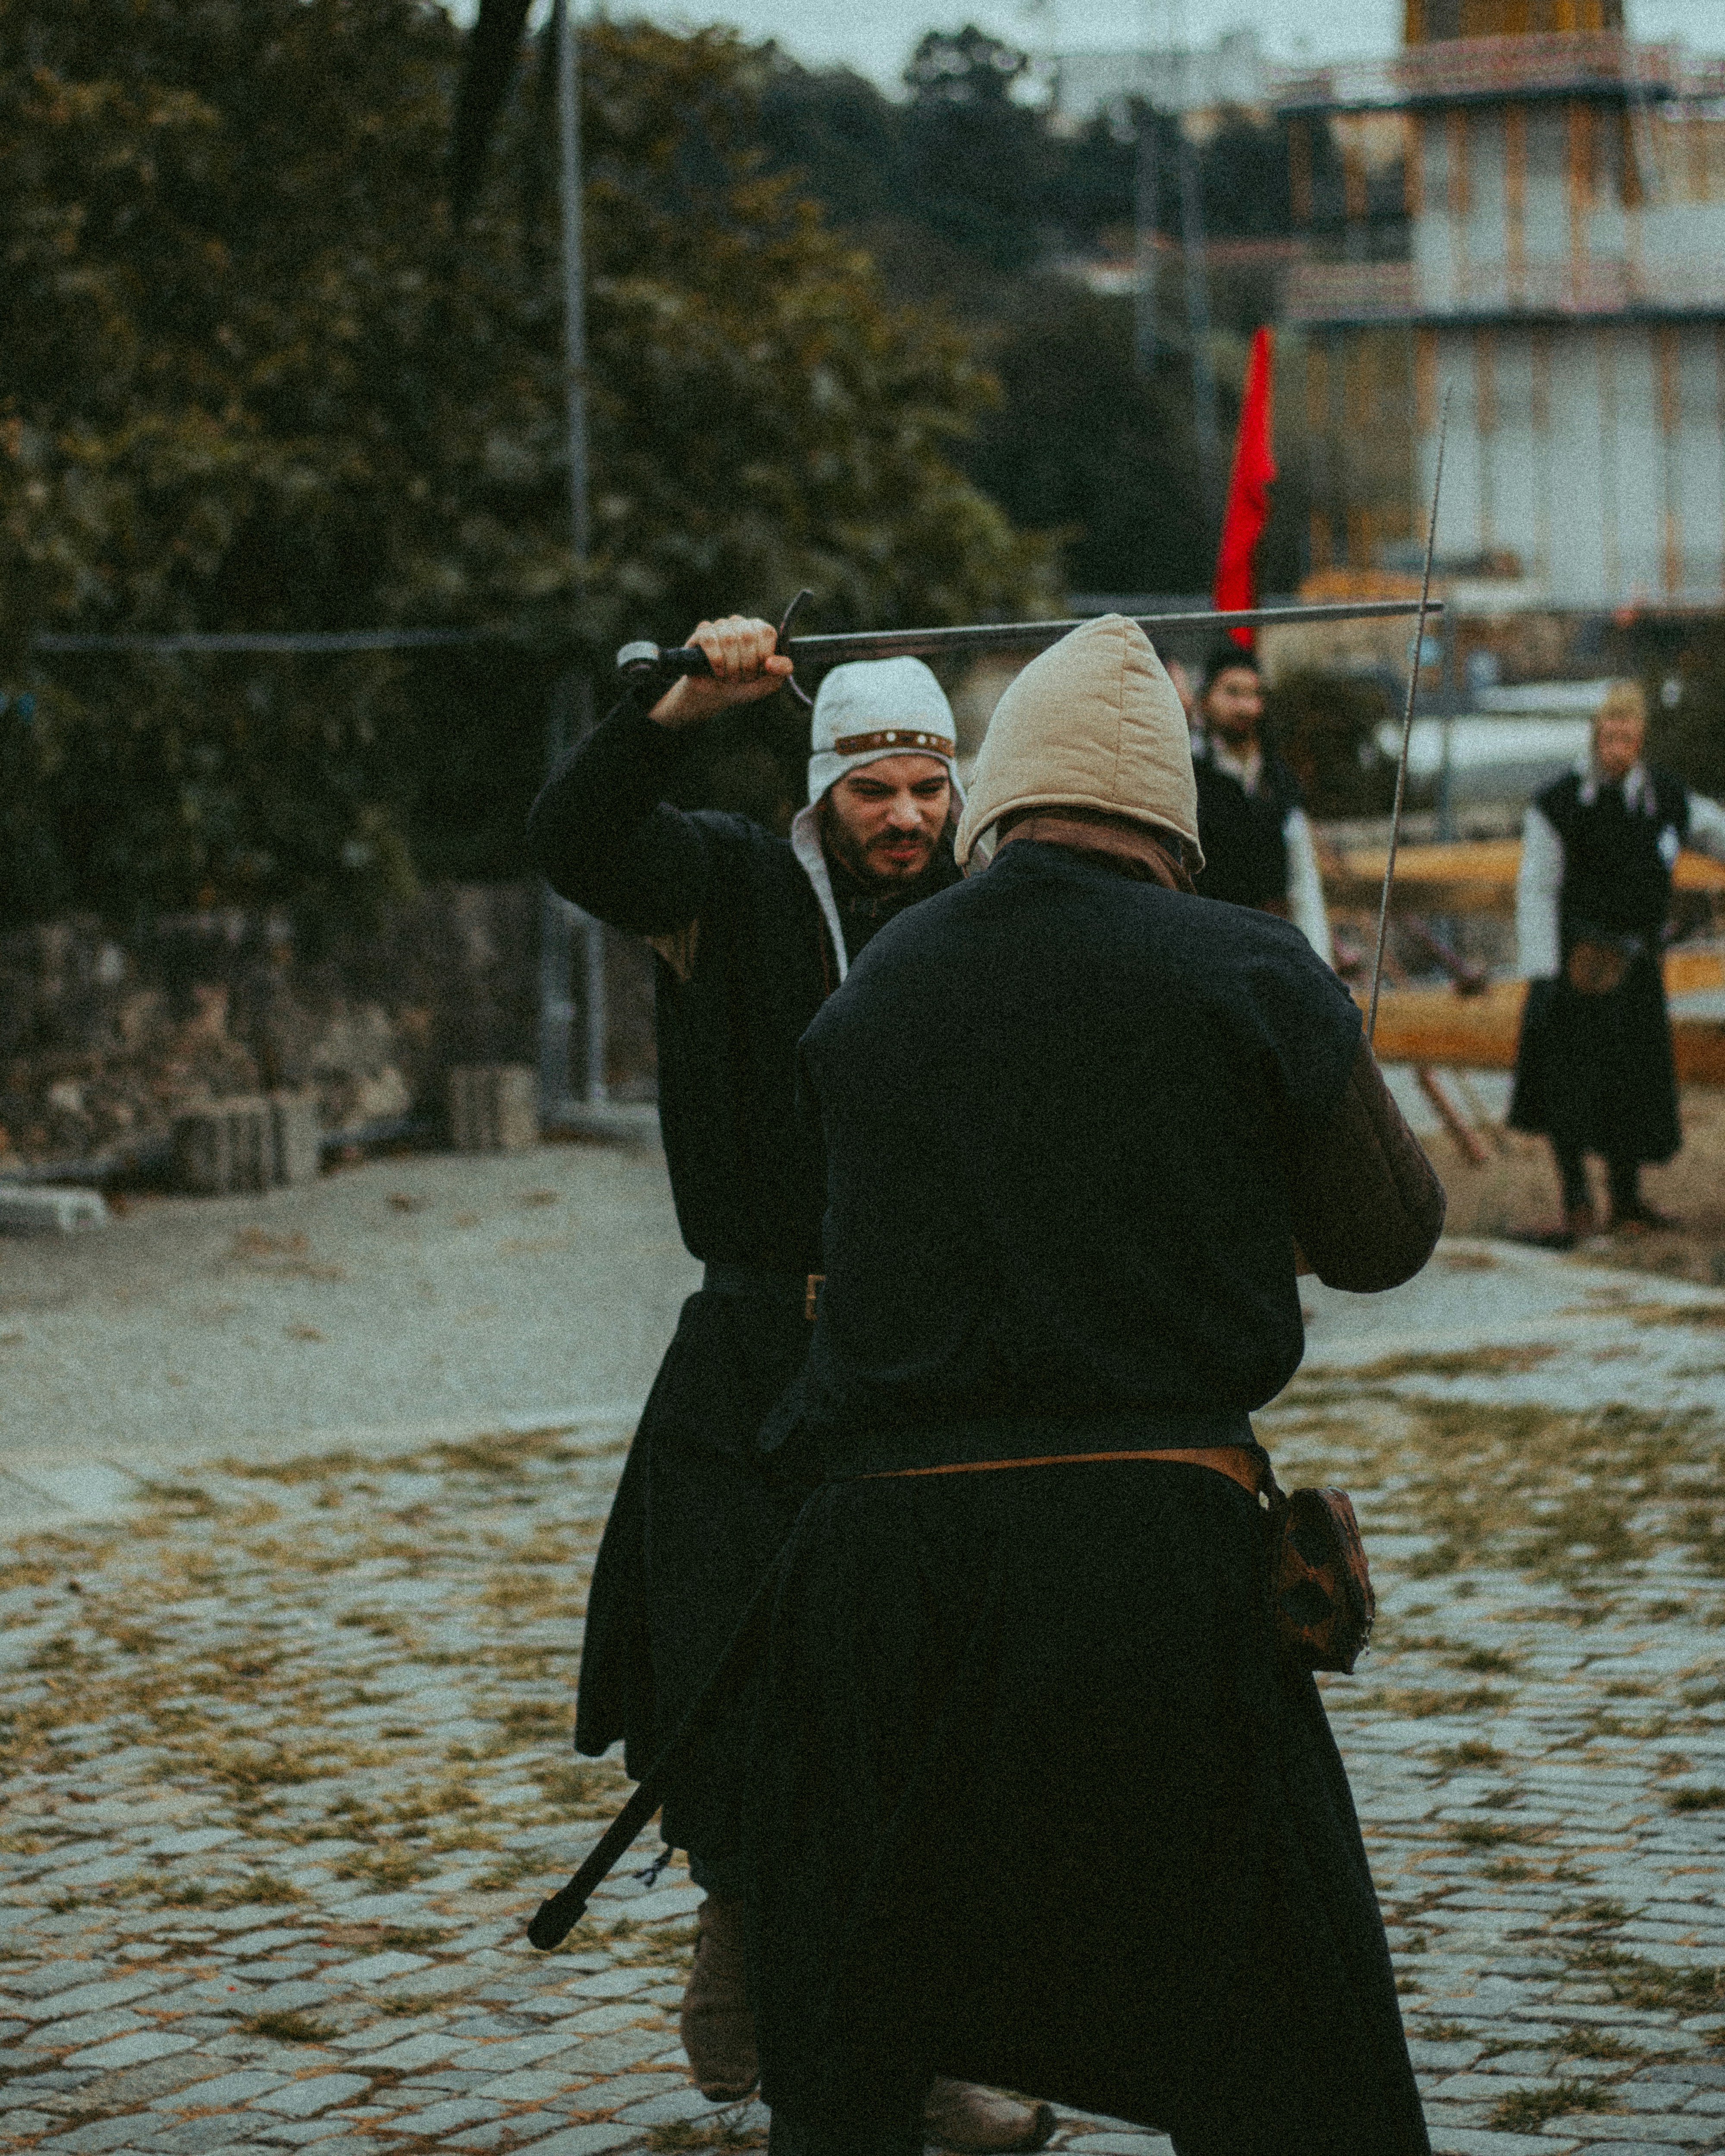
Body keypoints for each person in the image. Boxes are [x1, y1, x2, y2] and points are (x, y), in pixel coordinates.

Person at [745, 614, 1446, 2156]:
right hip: (1149, 1565)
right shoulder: (1248, 965)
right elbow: (1386, 1236)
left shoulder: (871, 993)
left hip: (880, 1577)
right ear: (1169, 831)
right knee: (1291, 2047)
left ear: (993, 809)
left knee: (862, 2034)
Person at [527, 616, 1050, 2153]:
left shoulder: (981, 917)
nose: (902, 815)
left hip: (924, 1364)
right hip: (755, 1353)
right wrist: (674, 704)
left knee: (925, 1716)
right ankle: (743, 1926)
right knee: (736, 1696)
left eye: (925, 789)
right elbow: (575, 834)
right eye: (875, 788)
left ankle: (924, 2054)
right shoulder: (727, 886)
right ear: (825, 786)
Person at [1509, 678, 1725, 1244]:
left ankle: (1627, 1204)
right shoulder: (1559, 803)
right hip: (1574, 966)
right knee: (1568, 1086)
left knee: (1632, 1085)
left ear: (1641, 739)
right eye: (1609, 735)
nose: (1617, 746)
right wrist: (1543, 971)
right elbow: (1537, 888)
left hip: (1637, 967)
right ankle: (1577, 1201)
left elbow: (1716, 832)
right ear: (1595, 735)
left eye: (1628, 736)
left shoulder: (1666, 798)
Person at [1191, 644, 1333, 963]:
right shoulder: (1188, 777)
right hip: (1211, 949)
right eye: (1232, 692)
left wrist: (1318, 963)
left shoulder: (1277, 780)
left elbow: (1303, 882)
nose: (1246, 707)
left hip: (1272, 950)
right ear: (1206, 699)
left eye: (1253, 695)